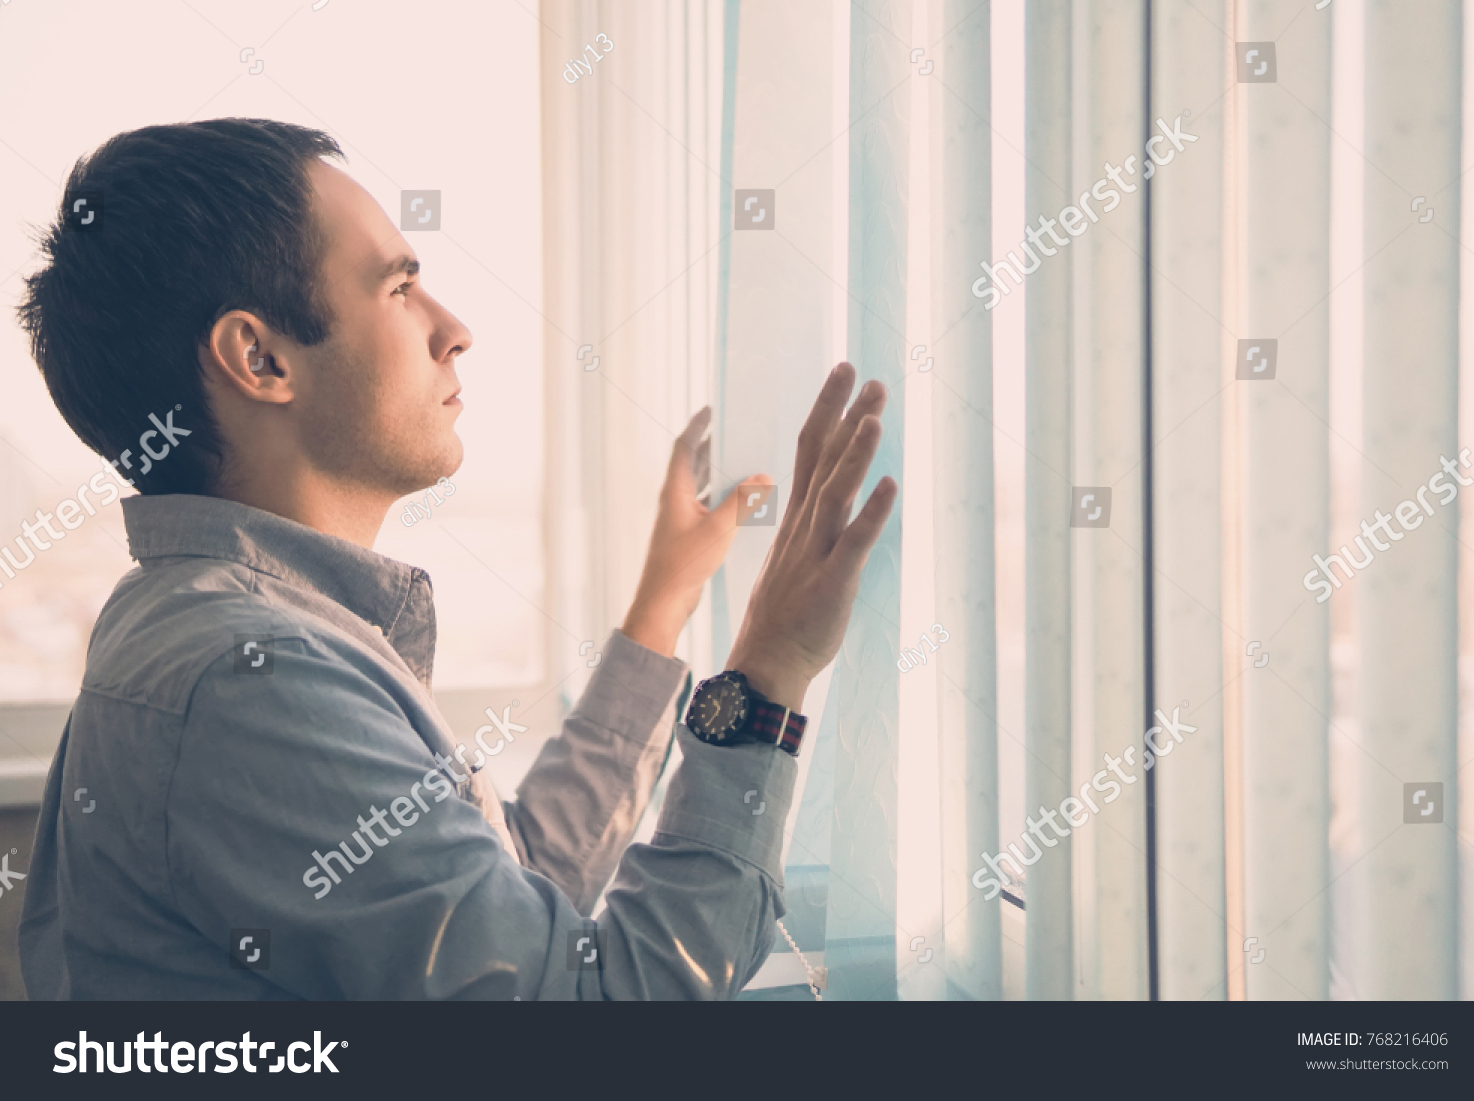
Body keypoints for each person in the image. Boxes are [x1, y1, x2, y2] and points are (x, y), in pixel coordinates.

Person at [12, 119, 896, 999]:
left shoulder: (217, 623)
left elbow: (518, 883)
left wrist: (663, 603)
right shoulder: (253, 679)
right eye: (398, 288)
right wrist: (767, 674)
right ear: (260, 357)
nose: (456, 329)